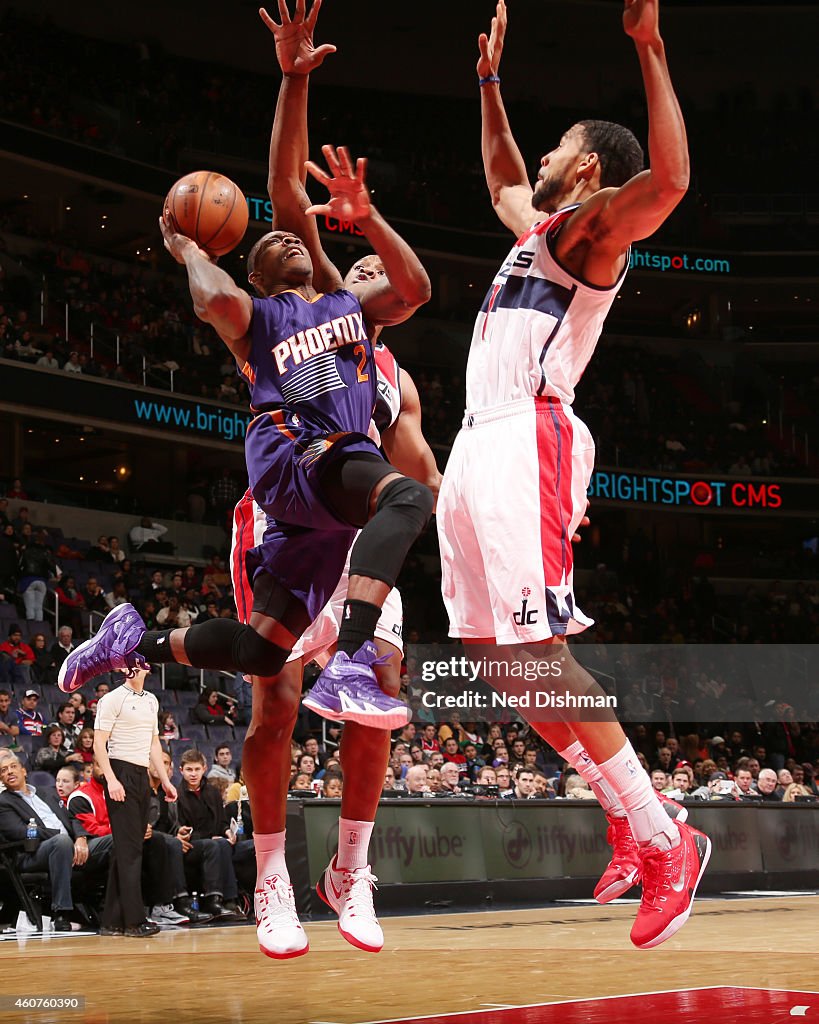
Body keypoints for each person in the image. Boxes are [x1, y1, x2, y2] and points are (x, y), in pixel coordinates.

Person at [435, 0, 708, 951]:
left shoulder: (591, 232)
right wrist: (488, 88)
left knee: (539, 653)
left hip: (527, 436)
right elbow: (507, 177)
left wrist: (650, 47)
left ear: (587, 168)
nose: (540, 157)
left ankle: (669, 836)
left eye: (559, 145)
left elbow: (669, 179)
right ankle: (626, 815)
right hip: (475, 443)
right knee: (489, 658)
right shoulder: (534, 229)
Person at [93, 668, 177, 937]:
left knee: (127, 849)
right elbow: (99, 743)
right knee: (130, 852)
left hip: (141, 774)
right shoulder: (112, 699)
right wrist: (111, 779)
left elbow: (154, 743)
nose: (141, 665)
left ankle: (112, 920)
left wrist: (164, 780)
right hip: (120, 771)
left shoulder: (151, 700)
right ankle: (134, 921)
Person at [0, 756, 112, 930]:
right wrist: (63, 837)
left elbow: (72, 818)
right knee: (61, 842)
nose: (9, 772)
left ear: (24, 771)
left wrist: (81, 838)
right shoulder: (4, 802)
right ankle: (62, 913)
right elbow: (19, 832)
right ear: (1, 779)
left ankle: (114, 907)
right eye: (3, 770)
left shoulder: (48, 792)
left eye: (13, 766)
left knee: (116, 841)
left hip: (73, 845)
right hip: (33, 853)